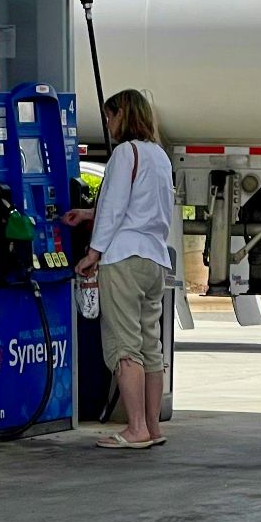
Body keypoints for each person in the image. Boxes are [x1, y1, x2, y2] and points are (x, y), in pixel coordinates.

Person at [64, 89, 175, 450]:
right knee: (150, 346)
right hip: (154, 259)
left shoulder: (124, 154)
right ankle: (153, 427)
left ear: (122, 116)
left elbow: (114, 207)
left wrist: (92, 253)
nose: (107, 124)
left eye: (110, 116)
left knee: (125, 347)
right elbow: (143, 208)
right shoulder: (159, 156)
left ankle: (135, 429)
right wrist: (89, 214)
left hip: (123, 259)